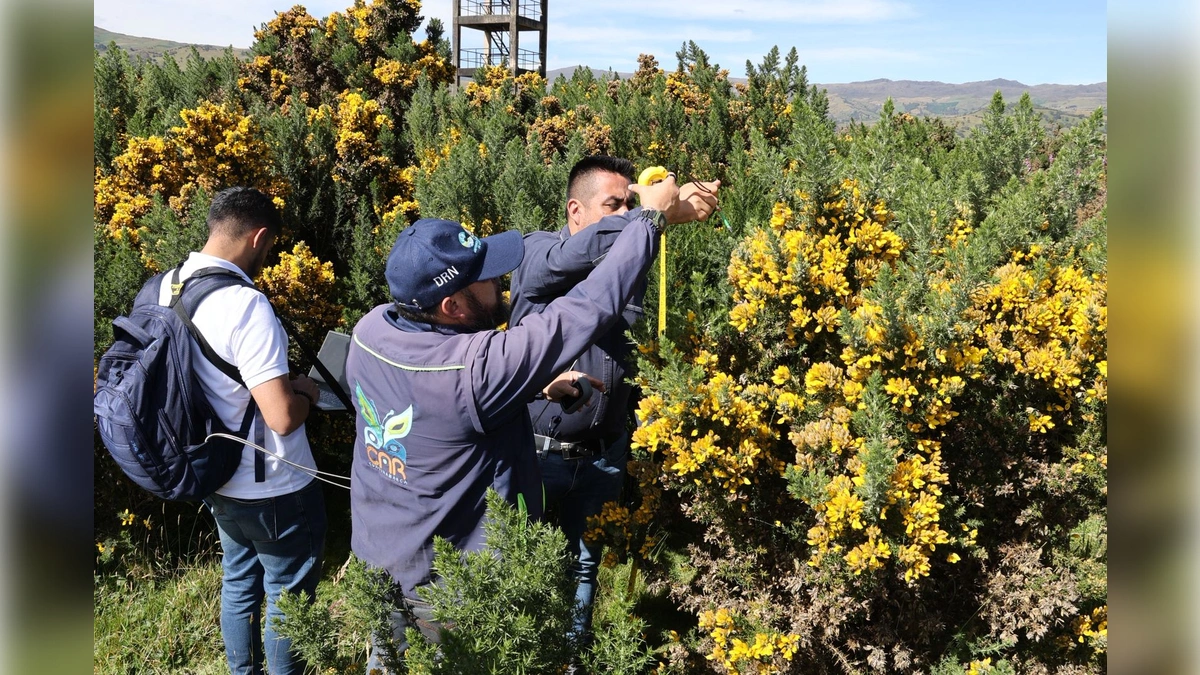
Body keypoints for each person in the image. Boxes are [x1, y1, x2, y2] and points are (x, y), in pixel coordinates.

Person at [347, 175, 687, 669]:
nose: (501, 281)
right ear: (453, 305)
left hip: (379, 566)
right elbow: (587, 308)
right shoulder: (475, 368)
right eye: (485, 277)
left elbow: (434, 410)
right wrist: (650, 219)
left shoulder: (371, 329)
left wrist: (524, 385)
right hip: (453, 595)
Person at [508, 156, 720, 642]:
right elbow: (575, 259)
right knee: (522, 571)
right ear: (574, 210)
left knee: (584, 568)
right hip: (537, 455)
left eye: (631, 202)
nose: (626, 212)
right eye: (614, 205)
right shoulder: (536, 253)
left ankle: (572, 659)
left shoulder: (628, 260)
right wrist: (654, 215)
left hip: (602, 457)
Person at [163, 186, 326, 675]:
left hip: (214, 474)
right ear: (258, 238)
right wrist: (309, 394)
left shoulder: (168, 285)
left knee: (237, 581)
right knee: (287, 594)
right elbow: (281, 417)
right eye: (271, 247)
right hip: (274, 484)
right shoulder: (245, 305)